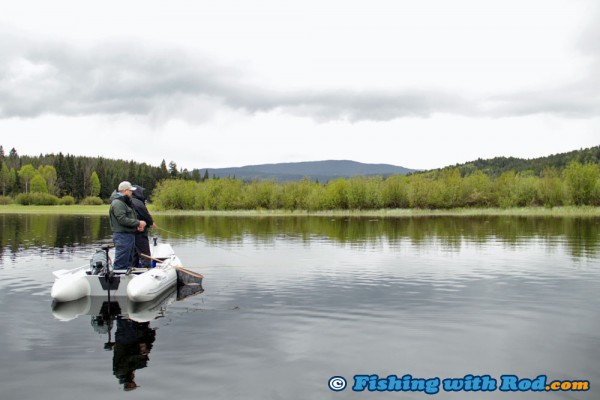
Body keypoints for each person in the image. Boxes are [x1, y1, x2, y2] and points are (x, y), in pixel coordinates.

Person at [109, 181, 146, 270]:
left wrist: (136, 226)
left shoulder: (125, 202)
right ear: (125, 191)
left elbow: (128, 218)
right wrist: (138, 223)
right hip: (122, 236)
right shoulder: (118, 203)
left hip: (128, 235)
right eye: (130, 190)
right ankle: (117, 281)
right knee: (121, 262)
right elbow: (122, 219)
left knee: (129, 261)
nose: (131, 192)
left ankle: (127, 279)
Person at [130, 185, 157, 268]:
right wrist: (151, 223)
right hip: (140, 233)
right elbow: (146, 215)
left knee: (134, 254)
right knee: (145, 254)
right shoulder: (138, 203)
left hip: (131, 233)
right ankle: (147, 271)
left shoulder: (130, 201)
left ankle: (132, 269)